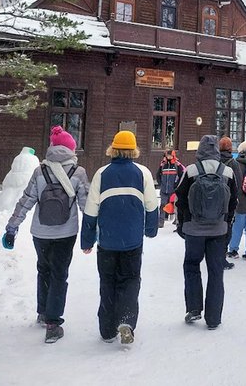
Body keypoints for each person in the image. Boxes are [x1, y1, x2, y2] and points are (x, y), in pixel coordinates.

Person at [3, 126, 89, 344]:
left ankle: (43, 311)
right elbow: (85, 205)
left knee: (44, 269)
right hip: (66, 233)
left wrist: (12, 227)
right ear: (71, 149)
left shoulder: (40, 171)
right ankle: (53, 323)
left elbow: (26, 200)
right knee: (60, 274)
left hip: (40, 232)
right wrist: (93, 231)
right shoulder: (78, 173)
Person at [81, 130, 159, 344]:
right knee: (131, 280)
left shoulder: (102, 174)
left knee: (107, 282)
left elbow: (91, 210)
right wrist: (150, 230)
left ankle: (107, 330)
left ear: (112, 149)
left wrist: (87, 240)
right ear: (134, 150)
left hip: (107, 240)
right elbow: (152, 206)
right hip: (132, 240)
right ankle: (126, 320)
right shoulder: (143, 173)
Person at [175, 135, 238, 330]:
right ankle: (213, 318)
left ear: (200, 150)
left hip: (194, 229)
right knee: (216, 271)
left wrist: (183, 224)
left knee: (192, 266)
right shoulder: (227, 171)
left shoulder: (191, 170)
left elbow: (181, 199)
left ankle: (194, 308)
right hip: (218, 230)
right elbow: (233, 201)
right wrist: (226, 223)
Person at [219, 136, 243, 267]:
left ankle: (213, 255)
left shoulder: (215, 160)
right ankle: (221, 257)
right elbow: (237, 182)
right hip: (228, 201)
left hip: (215, 200)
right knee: (227, 228)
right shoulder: (233, 163)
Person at [156, 150, 184, 228]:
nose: (168, 157)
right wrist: (160, 184)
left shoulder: (177, 165)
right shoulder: (163, 165)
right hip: (164, 189)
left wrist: (177, 185)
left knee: (176, 205)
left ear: (173, 155)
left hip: (174, 190)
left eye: (170, 155)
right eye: (167, 155)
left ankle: (177, 221)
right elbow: (158, 175)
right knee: (163, 205)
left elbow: (181, 176)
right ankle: (161, 222)